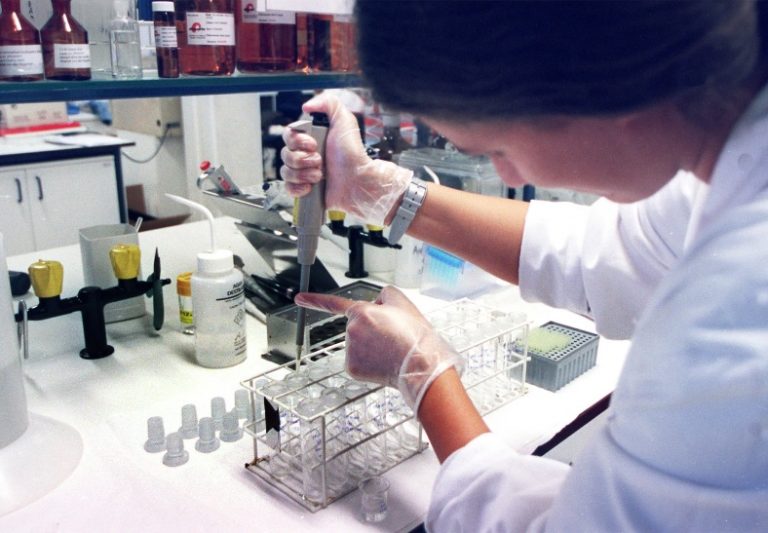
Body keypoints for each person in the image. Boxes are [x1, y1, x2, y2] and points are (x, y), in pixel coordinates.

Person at [281, 1, 768, 530]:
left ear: (606, 90)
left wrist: (422, 374)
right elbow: (615, 252)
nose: (507, 175)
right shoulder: (726, 138)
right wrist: (373, 190)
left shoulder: (740, 304)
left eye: (497, 149)